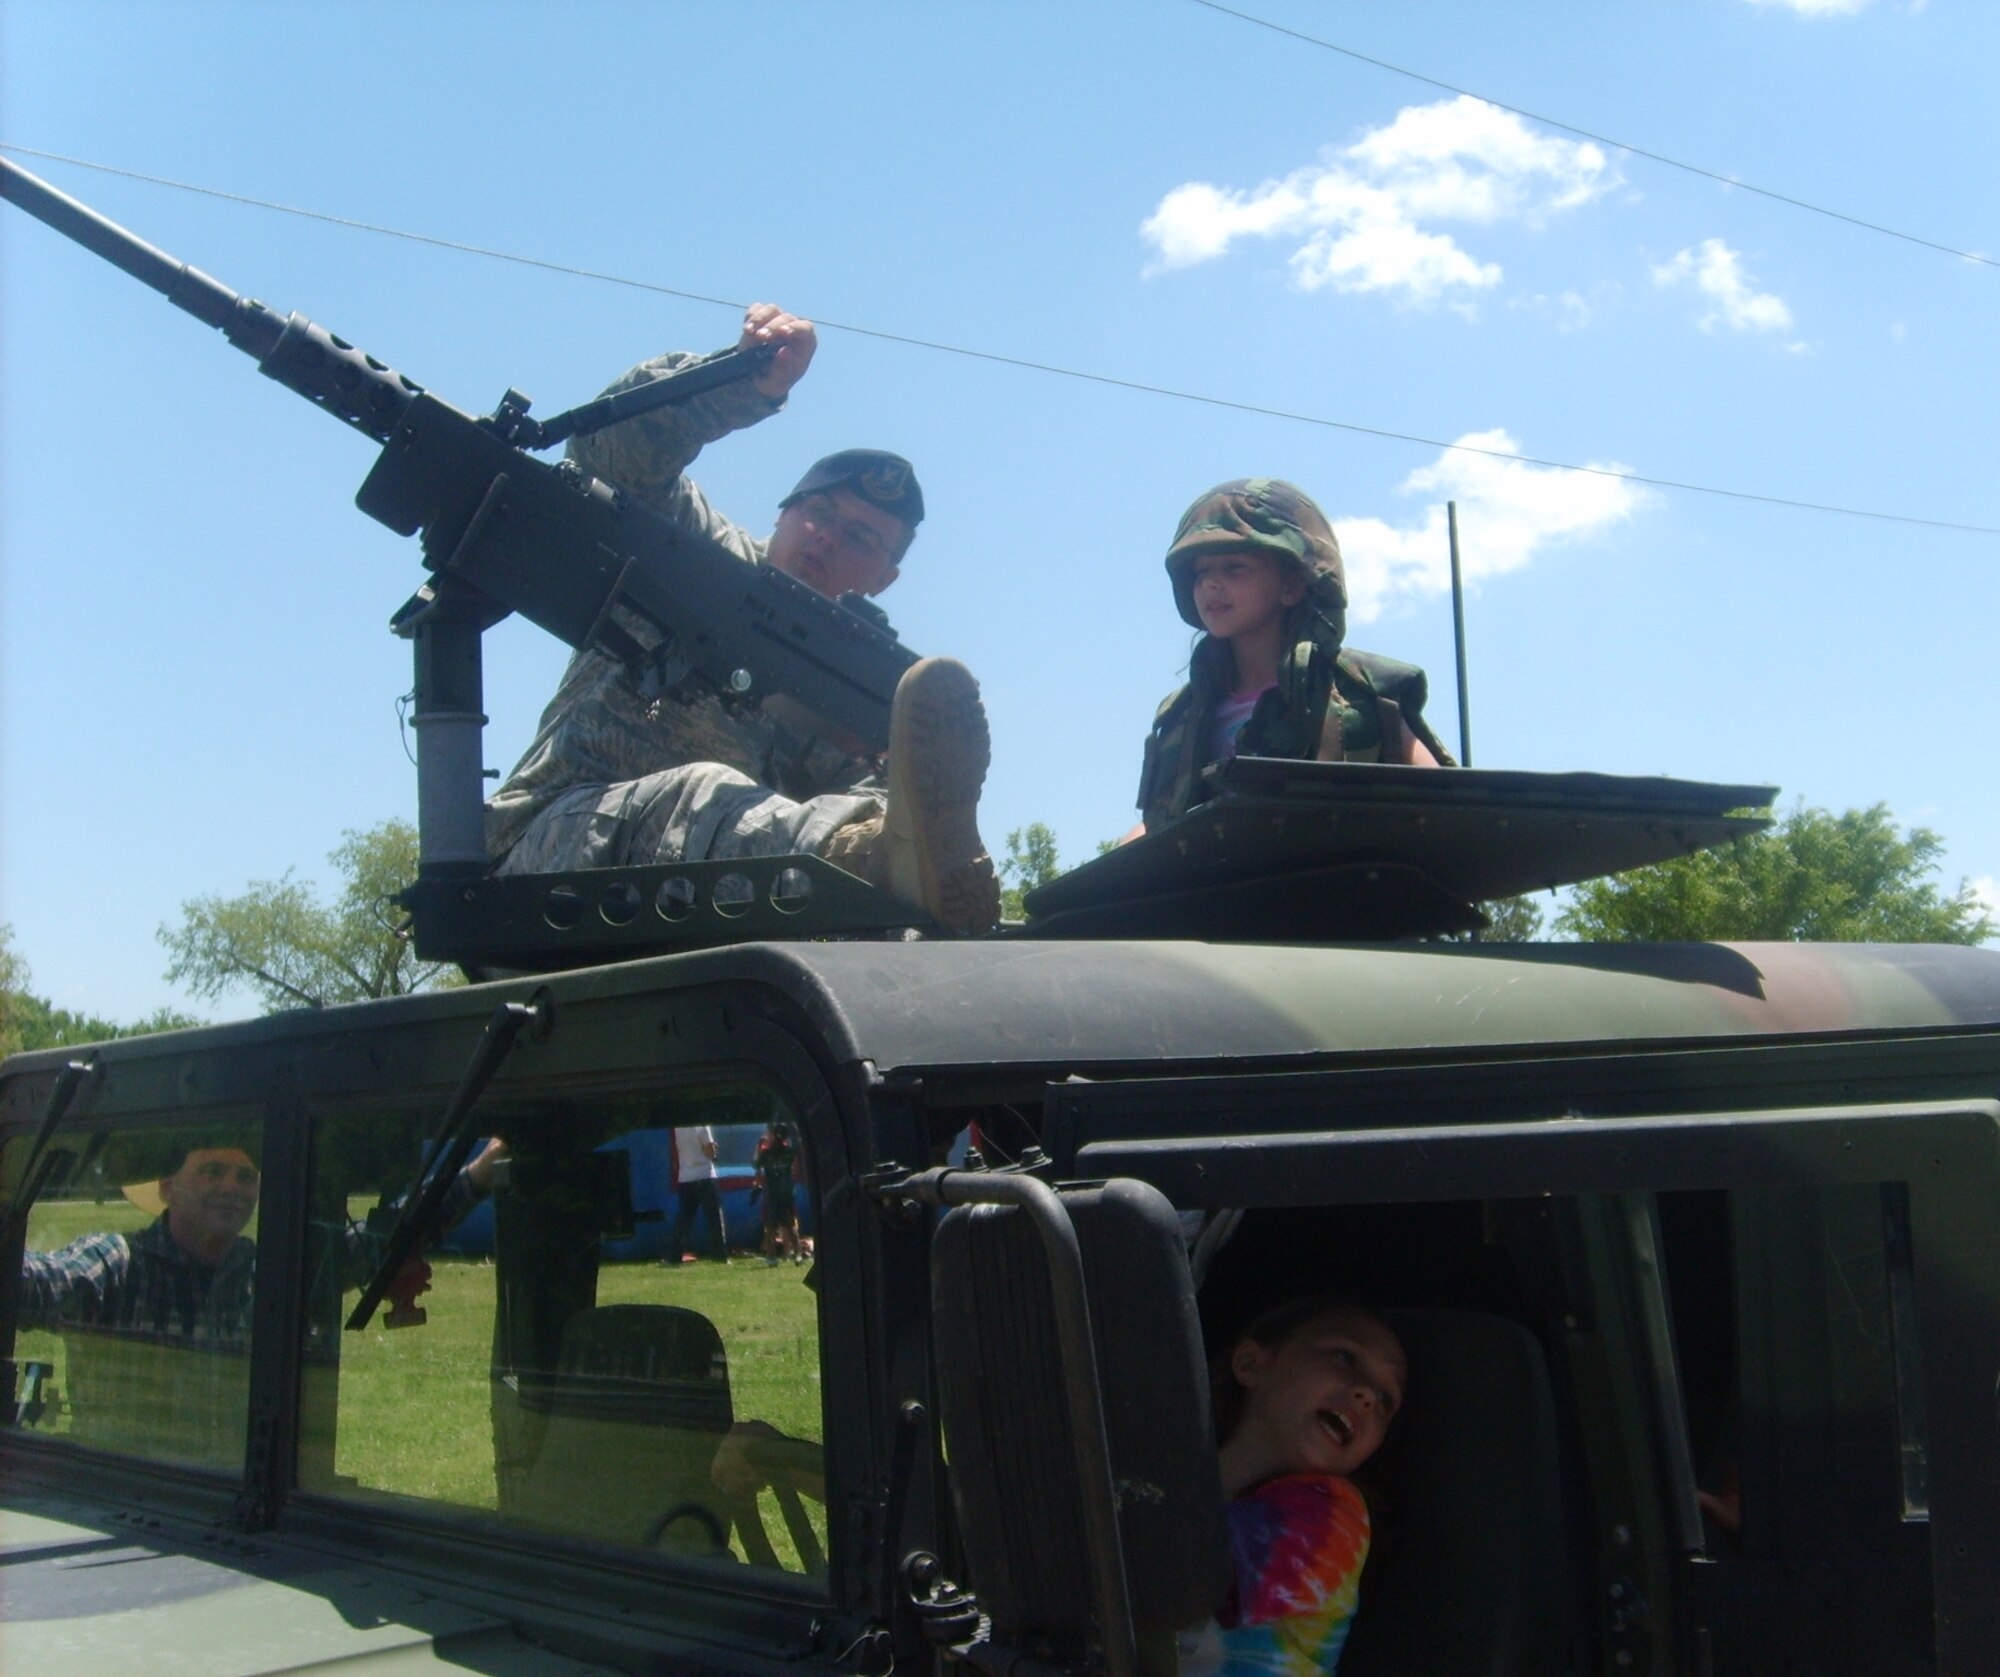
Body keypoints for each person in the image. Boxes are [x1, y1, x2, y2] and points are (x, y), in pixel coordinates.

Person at [485, 302, 999, 934]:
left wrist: (904, 809)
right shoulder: (696, 551)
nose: (828, 538)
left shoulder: (854, 681)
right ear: (783, 512)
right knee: (704, 792)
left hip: (691, 914)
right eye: (818, 512)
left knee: (900, 904)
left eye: (862, 539)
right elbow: (611, 454)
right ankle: (859, 864)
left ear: (883, 580)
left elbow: (897, 814)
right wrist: (740, 380)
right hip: (541, 868)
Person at [1134, 480, 1454, 836]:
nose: (1210, 584)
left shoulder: (1359, 697)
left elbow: (1444, 814)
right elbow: (1159, 830)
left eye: (1234, 567)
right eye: (1201, 572)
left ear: (1293, 585)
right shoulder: (1182, 716)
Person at [17, 1139, 508, 1351]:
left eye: (245, 1176)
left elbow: (385, 1240)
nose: (232, 1187)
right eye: (212, 1171)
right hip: (131, 1505)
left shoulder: (267, 1271)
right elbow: (43, 1282)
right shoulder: (119, 1264)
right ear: (168, 1188)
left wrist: (478, 1176)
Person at [1185, 1297, 1407, 1677]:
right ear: (1251, 1364)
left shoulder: (1334, 1518)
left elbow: (1187, 1576)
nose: (1367, 1395)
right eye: (1345, 1358)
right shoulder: (1163, 1476)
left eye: (1386, 1400)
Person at [670, 1125, 728, 1264]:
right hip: (705, 1175)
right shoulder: (702, 1126)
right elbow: (710, 1152)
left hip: (685, 1176)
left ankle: (673, 1255)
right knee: (714, 1219)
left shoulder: (678, 1128)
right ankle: (719, 1256)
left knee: (684, 1220)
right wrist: (714, 1149)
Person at [752, 1118, 804, 1265]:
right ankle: (798, 1254)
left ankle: (771, 1257)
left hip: (772, 1193)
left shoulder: (766, 1154)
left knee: (770, 1226)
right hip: (787, 1191)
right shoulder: (789, 1152)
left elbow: (755, 1164)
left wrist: (759, 1146)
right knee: (790, 1224)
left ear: (774, 1136)